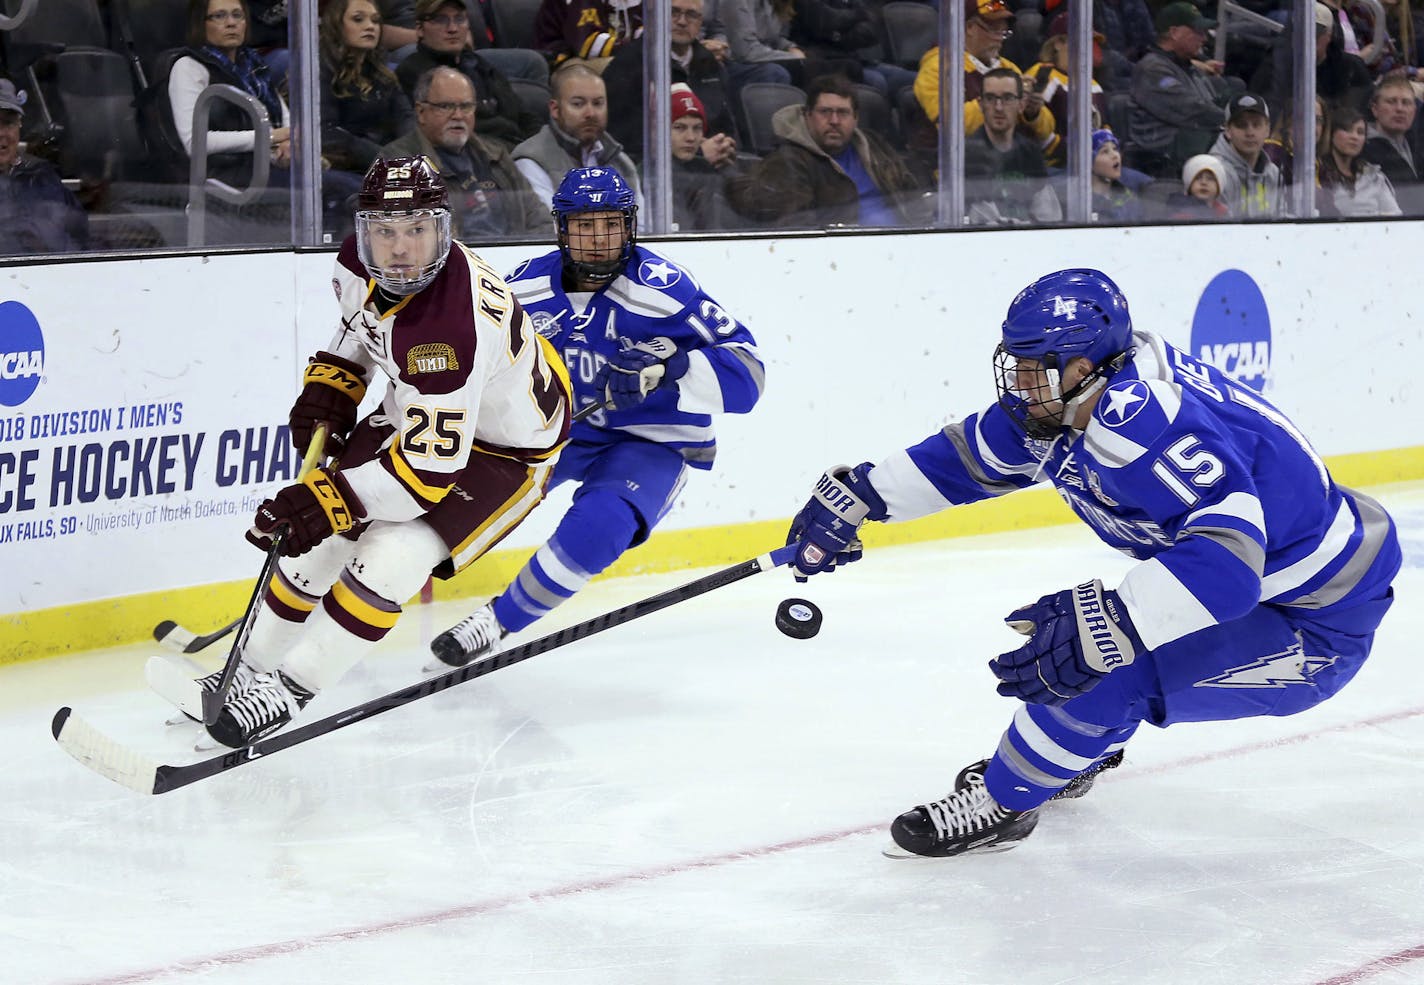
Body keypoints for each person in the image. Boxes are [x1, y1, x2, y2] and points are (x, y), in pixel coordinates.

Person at [783, 267, 1401, 858]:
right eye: (1016, 364)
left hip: (1315, 624)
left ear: (1081, 366)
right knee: (1100, 647)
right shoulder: (1069, 400)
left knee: (1102, 671)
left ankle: (1004, 804)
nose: (1019, 384)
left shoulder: (1138, 421)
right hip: (1259, 587)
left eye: (1033, 369)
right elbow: (968, 458)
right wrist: (861, 495)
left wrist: (1113, 627)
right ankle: (1083, 746)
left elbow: (1227, 565)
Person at [148, 156, 573, 748]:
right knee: (320, 544)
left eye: (417, 230)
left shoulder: (449, 329)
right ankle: (243, 671)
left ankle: (288, 688)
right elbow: (362, 327)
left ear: (444, 230)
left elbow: (423, 477)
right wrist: (334, 383)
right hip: (421, 409)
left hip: (502, 453)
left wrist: (321, 501)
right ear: (365, 227)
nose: (399, 248)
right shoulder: (356, 259)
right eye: (385, 230)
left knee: (393, 555)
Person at [429, 166, 764, 667]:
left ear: (630, 226)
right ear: (561, 229)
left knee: (603, 522)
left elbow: (749, 376)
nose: (599, 239)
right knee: (446, 501)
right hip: (550, 430)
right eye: (584, 226)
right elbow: (472, 361)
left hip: (651, 440)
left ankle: (495, 623)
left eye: (610, 224)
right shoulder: (522, 290)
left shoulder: (664, 290)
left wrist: (670, 367)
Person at [726, 74, 929, 227]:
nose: (834, 121)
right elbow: (798, 228)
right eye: (825, 112)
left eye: (843, 113)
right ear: (807, 115)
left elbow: (912, 197)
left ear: (855, 118)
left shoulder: (874, 146)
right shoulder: (789, 161)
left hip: (903, 248)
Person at [379, 67, 549, 238]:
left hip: (513, 255)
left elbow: (539, 218)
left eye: (466, 106)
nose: (458, 115)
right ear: (421, 112)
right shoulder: (398, 163)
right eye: (446, 106)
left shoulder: (496, 154)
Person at [912, 0, 1057, 159]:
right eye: (993, 29)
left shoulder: (1009, 68)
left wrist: (1032, 112)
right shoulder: (939, 67)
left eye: (1003, 32)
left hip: (1008, 164)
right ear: (969, 28)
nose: (999, 38)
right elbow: (951, 125)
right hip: (954, 171)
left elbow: (1046, 133)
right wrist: (1002, 99)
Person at [168, 0, 291, 186]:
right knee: (338, 190)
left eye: (237, 15)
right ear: (200, 23)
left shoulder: (254, 64)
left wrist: (286, 145)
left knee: (342, 186)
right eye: (219, 16)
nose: (231, 23)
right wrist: (270, 137)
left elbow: (285, 121)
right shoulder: (188, 67)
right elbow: (194, 141)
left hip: (266, 168)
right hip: (226, 179)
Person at [601, 0, 741, 162]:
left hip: (715, 167)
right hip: (655, 174)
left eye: (691, 15)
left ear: (701, 21)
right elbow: (621, 138)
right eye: (673, 12)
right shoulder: (629, 64)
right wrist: (697, 154)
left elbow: (727, 125)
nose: (682, 21)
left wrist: (724, 145)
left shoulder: (709, 63)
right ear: (656, 17)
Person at [394, 0, 542, 149]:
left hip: (514, 149)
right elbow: (453, 130)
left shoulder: (477, 63)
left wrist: (536, 144)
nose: (452, 28)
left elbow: (522, 113)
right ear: (420, 29)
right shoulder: (414, 72)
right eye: (440, 20)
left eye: (459, 19)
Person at [512, 62, 643, 208]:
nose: (591, 113)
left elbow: (642, 225)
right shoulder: (532, 161)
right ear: (555, 109)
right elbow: (550, 226)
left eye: (598, 103)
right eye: (578, 104)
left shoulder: (620, 161)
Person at [1127, 1, 1232, 178]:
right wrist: (1232, 120)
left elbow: (1211, 103)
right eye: (1197, 31)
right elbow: (1191, 111)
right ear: (1174, 32)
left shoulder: (1187, 66)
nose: (1204, 38)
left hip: (1189, 154)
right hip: (1162, 161)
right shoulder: (1152, 69)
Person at [319, 0, 415, 175]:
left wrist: (409, 154)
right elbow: (325, 133)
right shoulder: (320, 70)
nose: (370, 26)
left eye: (375, 20)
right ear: (336, 25)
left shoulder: (383, 74)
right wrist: (384, 158)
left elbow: (406, 118)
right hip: (343, 166)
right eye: (358, 19)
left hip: (387, 163)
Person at [962, 67, 1063, 225]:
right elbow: (976, 218)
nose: (999, 107)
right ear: (981, 104)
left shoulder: (1031, 153)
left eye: (1008, 98)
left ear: (1021, 104)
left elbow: (1049, 217)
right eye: (990, 98)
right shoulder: (966, 154)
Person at [0, 79, 89, 255]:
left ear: (19, 125)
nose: (1, 133)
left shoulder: (41, 175)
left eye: (8, 123)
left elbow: (80, 234)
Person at [1026, 12, 1107, 167]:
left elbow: (1104, 127)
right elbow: (1031, 129)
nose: (1086, 48)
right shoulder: (1041, 74)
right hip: (1055, 167)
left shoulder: (1093, 83)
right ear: (1057, 43)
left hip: (1093, 164)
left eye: (1089, 42)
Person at [669, 83, 742, 230]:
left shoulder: (712, 171)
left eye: (697, 128)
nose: (690, 137)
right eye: (679, 127)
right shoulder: (650, 175)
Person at [1207, 92, 1285, 218]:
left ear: (1267, 130)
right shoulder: (1215, 173)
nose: (1250, 132)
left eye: (1256, 125)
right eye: (1241, 125)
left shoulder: (1273, 174)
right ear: (1227, 130)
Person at [1318, 104, 1404, 216]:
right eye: (1347, 130)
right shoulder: (1318, 174)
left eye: (1360, 132)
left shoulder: (1373, 176)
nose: (1355, 137)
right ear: (1331, 134)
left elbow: (1394, 215)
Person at [1363, 70, 1424, 214]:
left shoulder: (1418, 146)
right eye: (1391, 101)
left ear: (1414, 111)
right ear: (1375, 109)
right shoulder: (1362, 149)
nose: (1399, 109)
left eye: (1406, 103)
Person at [533, 0, 643, 73]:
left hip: (610, 62)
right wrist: (635, 50)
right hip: (564, 64)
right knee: (632, 69)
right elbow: (588, 45)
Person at [1089, 127, 1142, 221]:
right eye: (1105, 151)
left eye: (1115, 149)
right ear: (1088, 163)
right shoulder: (1082, 203)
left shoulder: (1129, 198)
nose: (1115, 155)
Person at [1166, 152, 1231, 219]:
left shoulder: (1224, 213)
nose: (1204, 182)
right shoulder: (1180, 216)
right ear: (1189, 183)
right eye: (1197, 178)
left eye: (1210, 179)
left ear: (1220, 184)